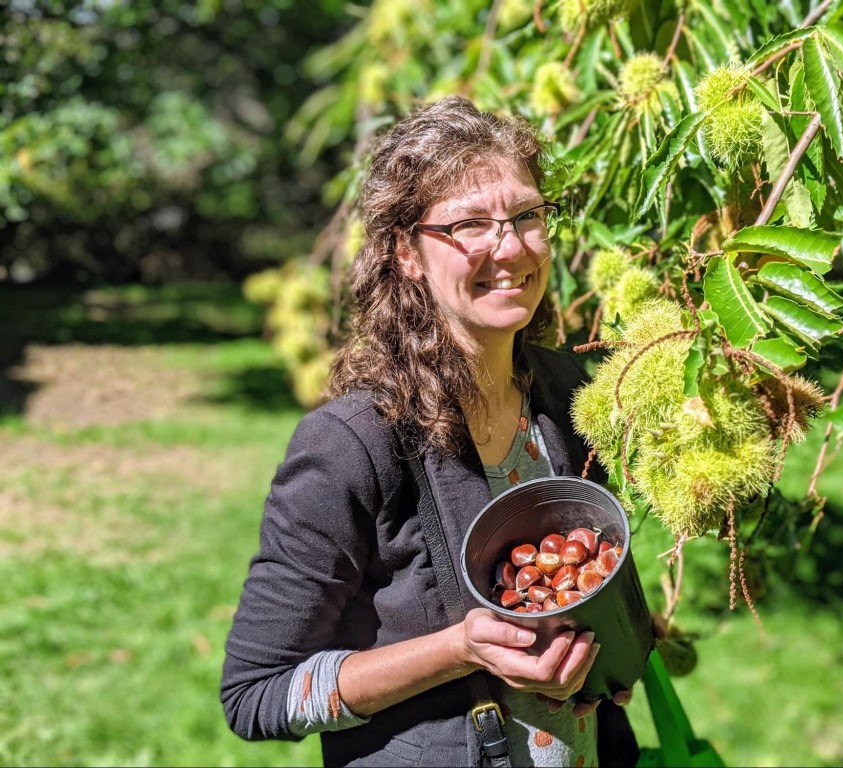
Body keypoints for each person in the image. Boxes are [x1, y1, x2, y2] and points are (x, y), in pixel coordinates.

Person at [220, 96, 641, 767]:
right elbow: (256, 695)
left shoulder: (572, 394)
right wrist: (459, 651)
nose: (509, 246)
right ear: (406, 254)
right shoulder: (352, 445)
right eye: (469, 224)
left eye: (526, 215)